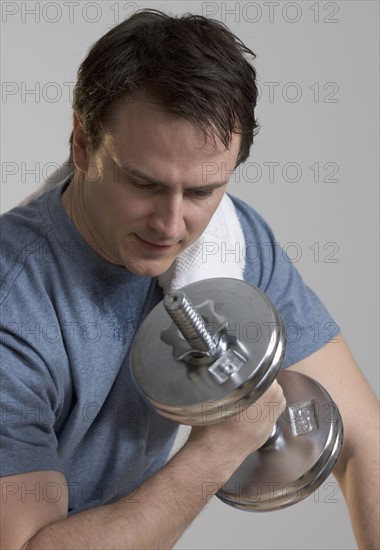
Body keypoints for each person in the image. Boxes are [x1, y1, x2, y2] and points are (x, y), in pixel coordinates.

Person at [0, 9, 378, 550]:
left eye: (202, 192)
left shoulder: (225, 245)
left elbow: (365, 441)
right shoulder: (15, 303)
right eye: (143, 183)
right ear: (82, 144)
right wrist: (220, 447)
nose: (172, 225)